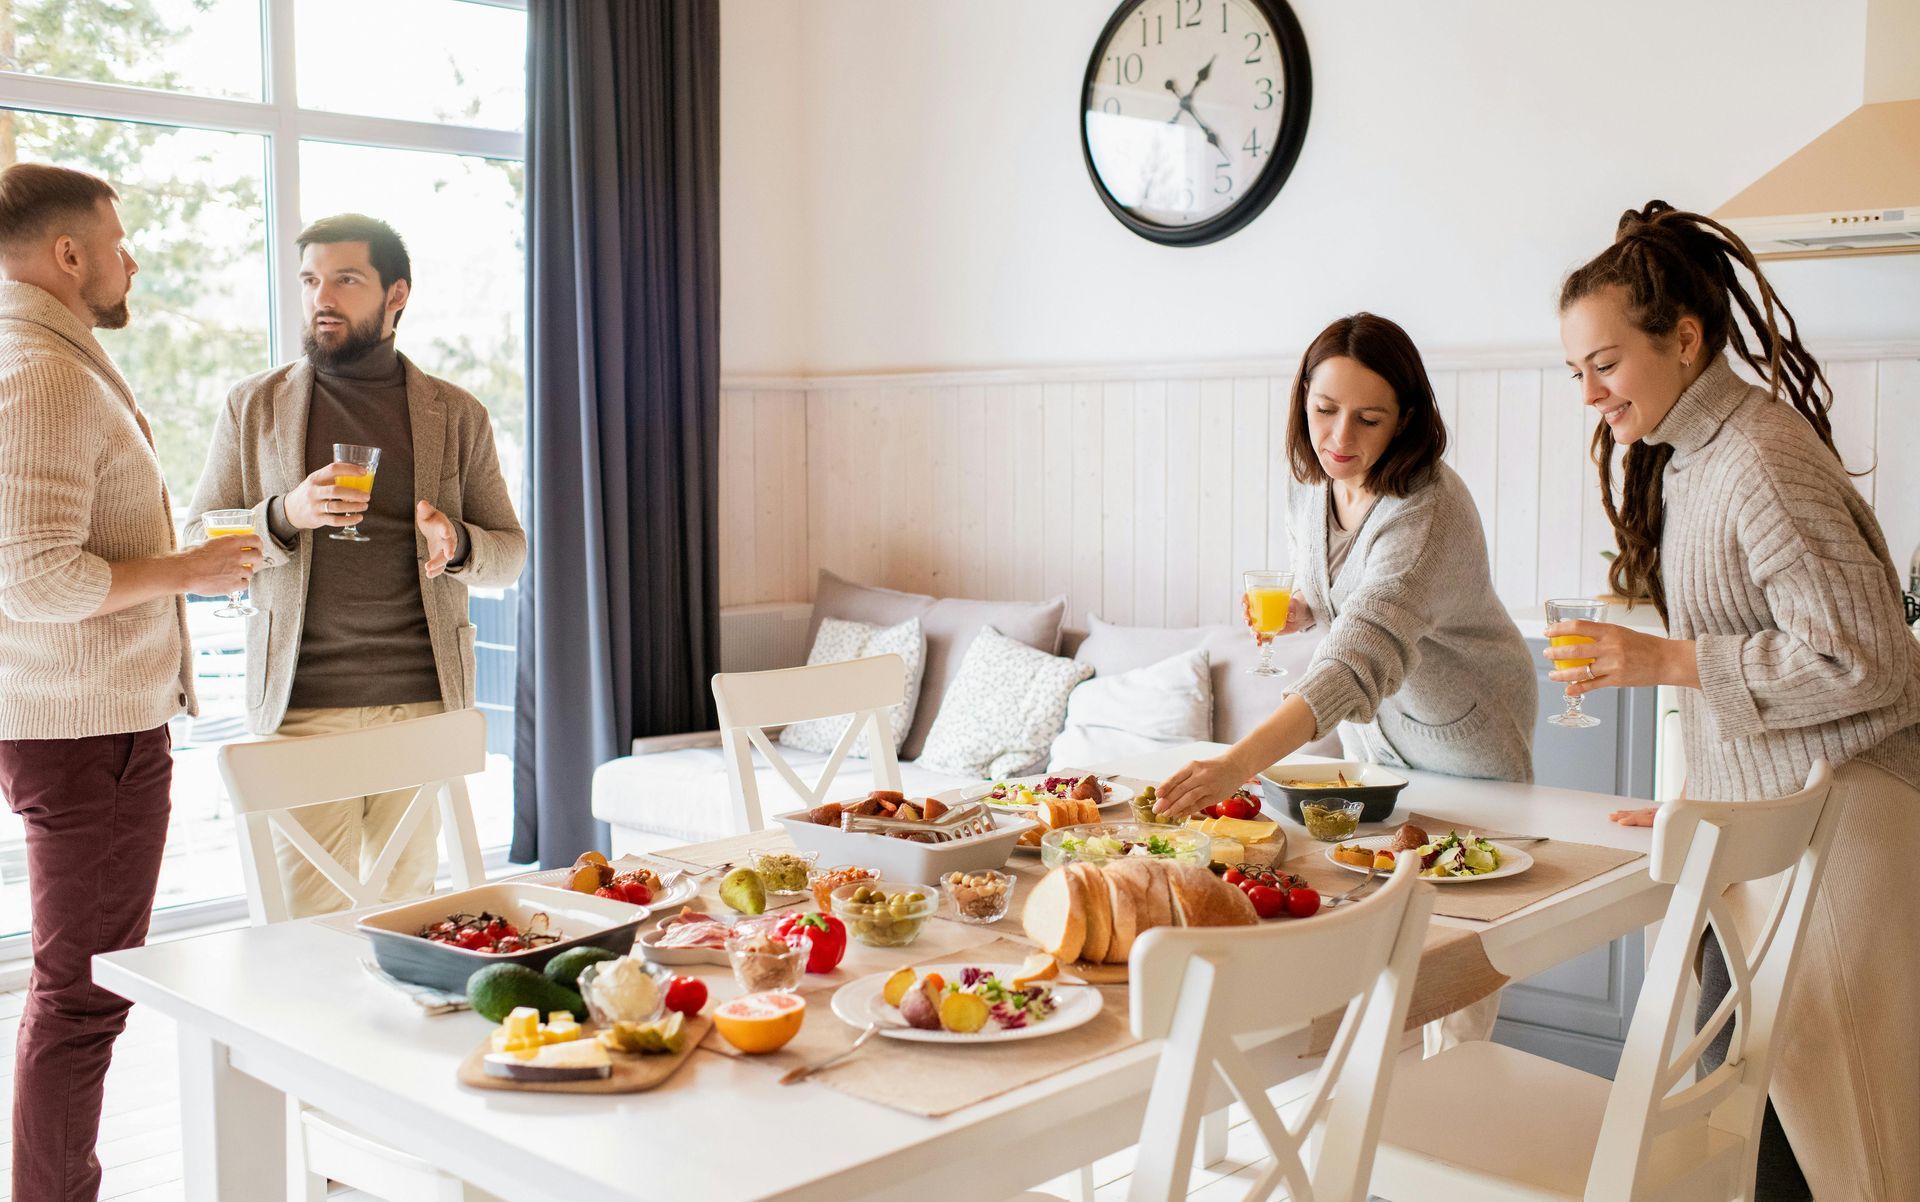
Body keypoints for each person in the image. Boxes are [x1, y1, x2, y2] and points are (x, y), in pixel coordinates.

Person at [1550, 200, 1919, 1201]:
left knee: (1858, 1159)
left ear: (1684, 338)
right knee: (1757, 1155)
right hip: (1769, 837)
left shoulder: (1758, 457)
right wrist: (1703, 797)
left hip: (1843, 837)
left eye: (1606, 363)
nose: (1590, 393)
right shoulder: (1695, 458)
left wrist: (1672, 660)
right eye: (1576, 370)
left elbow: (1866, 662)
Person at [0, 163, 257, 1202]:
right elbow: (34, 577)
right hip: (85, 732)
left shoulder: (37, 357)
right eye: (118, 241)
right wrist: (189, 569)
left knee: (72, 990)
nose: (132, 261)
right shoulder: (44, 372)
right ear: (70, 254)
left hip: (60, 723)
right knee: (83, 997)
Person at [185, 213, 525, 917]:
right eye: (310, 280)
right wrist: (285, 514)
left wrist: (459, 543)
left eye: (345, 279)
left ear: (396, 294)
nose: (322, 298)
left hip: (422, 704)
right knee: (302, 922)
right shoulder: (254, 406)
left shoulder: (457, 414)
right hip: (301, 708)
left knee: (410, 913)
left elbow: (510, 554)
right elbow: (198, 539)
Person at [1155, 312, 1537, 818]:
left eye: (1369, 419)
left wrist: (1237, 763)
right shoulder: (1311, 483)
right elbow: (1349, 590)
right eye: (1325, 409)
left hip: (1462, 742)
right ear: (1304, 397)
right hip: (1372, 745)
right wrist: (1305, 609)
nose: (1339, 438)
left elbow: (1356, 658)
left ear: (1404, 419)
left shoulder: (1426, 513)